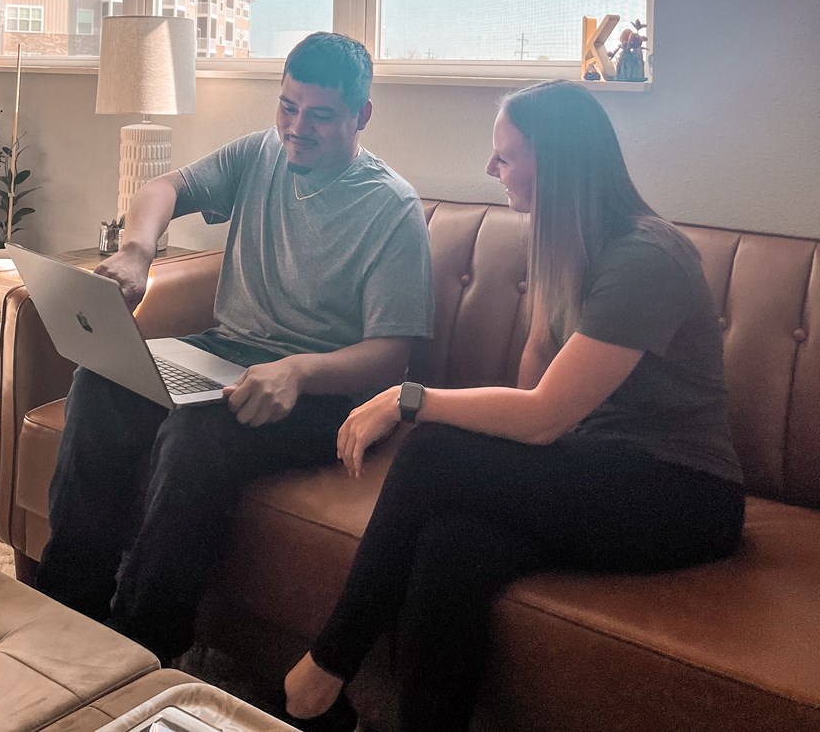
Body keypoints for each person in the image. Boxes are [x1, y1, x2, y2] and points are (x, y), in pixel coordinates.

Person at [285, 79, 744, 732]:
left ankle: (324, 669)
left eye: (504, 155)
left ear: (553, 163)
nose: (490, 169)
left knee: (432, 449)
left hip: (683, 493)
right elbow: (536, 388)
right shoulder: (562, 244)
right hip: (598, 463)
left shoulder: (647, 257)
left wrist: (409, 397)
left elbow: (544, 415)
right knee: (452, 544)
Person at [35, 31, 434, 670]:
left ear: (361, 115)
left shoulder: (391, 208)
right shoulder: (261, 154)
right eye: (287, 108)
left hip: (326, 391)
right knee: (101, 378)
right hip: (227, 352)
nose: (297, 129)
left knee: (199, 433)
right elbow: (163, 187)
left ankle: (140, 647)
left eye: (320, 115)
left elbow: (392, 358)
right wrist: (138, 251)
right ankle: (66, 604)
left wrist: (299, 372)